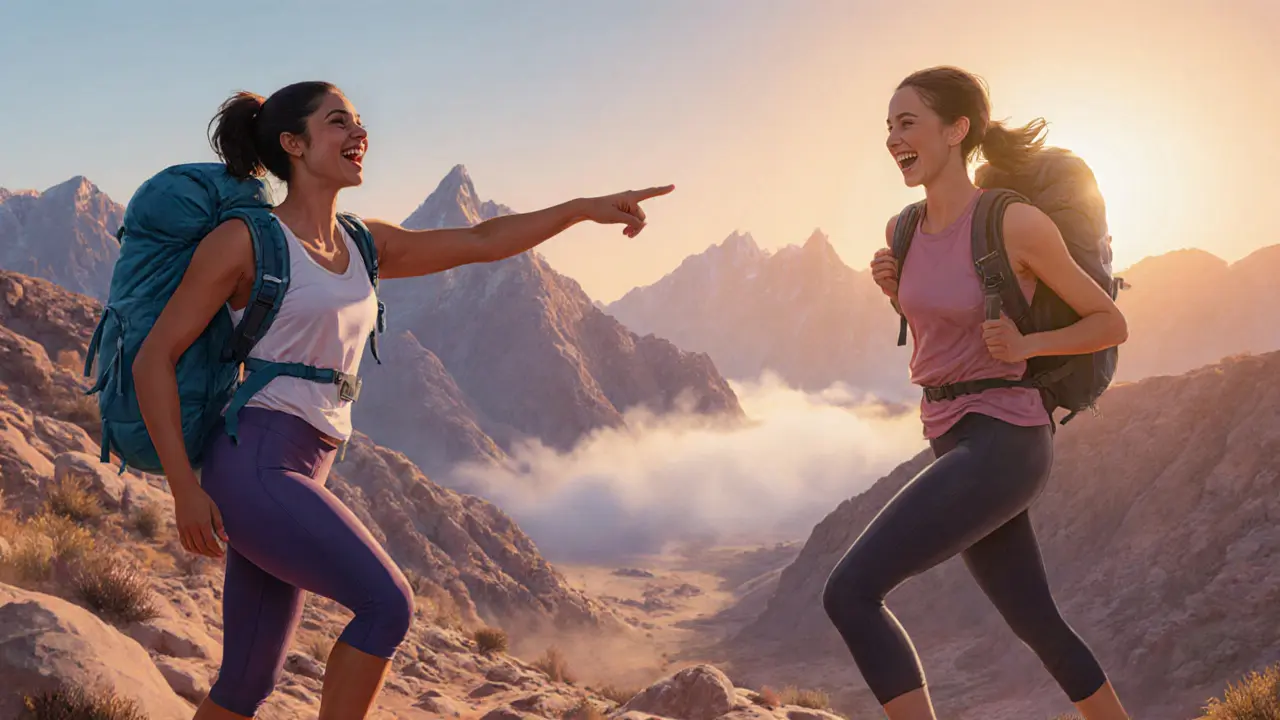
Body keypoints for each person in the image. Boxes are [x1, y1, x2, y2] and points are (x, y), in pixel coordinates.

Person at [131, 80, 673, 720]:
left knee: (247, 679)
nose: (360, 134)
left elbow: (481, 241)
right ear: (293, 144)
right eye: (339, 123)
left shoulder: (365, 242)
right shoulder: (246, 241)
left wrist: (583, 208)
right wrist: (182, 489)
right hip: (255, 461)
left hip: (307, 463)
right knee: (388, 605)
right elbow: (153, 358)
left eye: (360, 122)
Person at [820, 66, 1130, 720]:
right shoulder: (904, 229)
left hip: (1007, 440)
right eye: (888, 126)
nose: (892, 137)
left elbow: (1109, 321)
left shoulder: (1012, 221)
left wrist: (1028, 347)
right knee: (1037, 622)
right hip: (950, 436)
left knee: (850, 593)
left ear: (957, 129)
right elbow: (945, 326)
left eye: (907, 122)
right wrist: (894, 290)